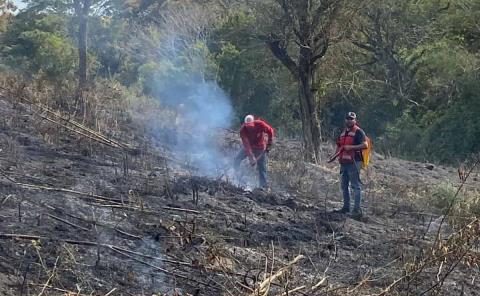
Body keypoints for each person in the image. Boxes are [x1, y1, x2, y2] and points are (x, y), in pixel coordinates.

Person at [334, 112, 368, 216]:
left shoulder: (359, 132)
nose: (349, 120)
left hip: (354, 162)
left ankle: (356, 210)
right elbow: (339, 145)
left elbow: (365, 145)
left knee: (355, 186)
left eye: (351, 119)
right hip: (344, 162)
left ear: (355, 120)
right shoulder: (343, 132)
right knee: (344, 185)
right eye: (348, 118)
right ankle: (346, 208)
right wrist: (335, 155)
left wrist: (351, 148)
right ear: (345, 120)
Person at [234, 115, 275, 189]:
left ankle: (263, 187)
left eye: (250, 125)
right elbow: (246, 144)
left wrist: (269, 143)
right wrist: (251, 157)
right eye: (247, 126)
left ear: (253, 122)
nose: (249, 127)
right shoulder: (243, 130)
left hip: (260, 148)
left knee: (262, 168)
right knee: (237, 159)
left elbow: (270, 131)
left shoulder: (260, 124)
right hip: (249, 147)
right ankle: (236, 176)